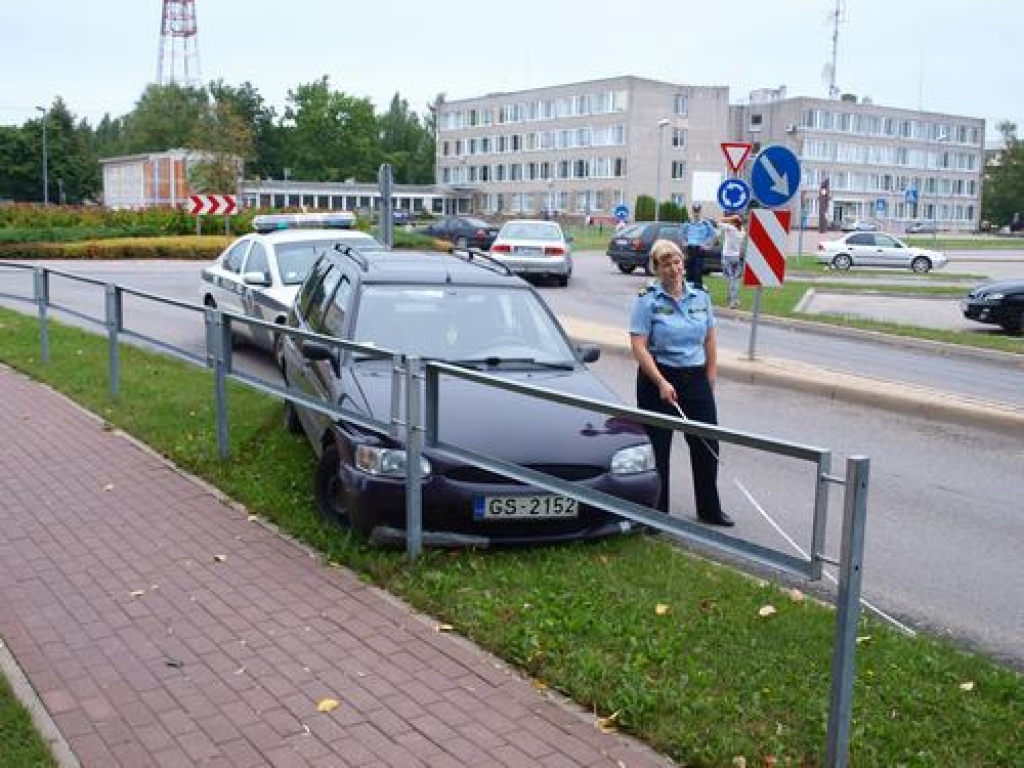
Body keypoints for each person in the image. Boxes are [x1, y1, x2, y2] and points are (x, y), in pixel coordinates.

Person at [628, 239, 734, 527]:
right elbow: (638, 346)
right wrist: (661, 381)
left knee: (706, 444)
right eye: (666, 264)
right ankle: (656, 515)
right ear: (656, 268)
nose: (673, 269)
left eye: (677, 262)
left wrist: (711, 373)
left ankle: (710, 510)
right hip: (657, 379)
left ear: (683, 263)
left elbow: (710, 338)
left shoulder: (700, 296)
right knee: (659, 448)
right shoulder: (647, 300)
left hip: (695, 378)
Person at [680, 203, 717, 289]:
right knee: (689, 271)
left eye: (698, 211)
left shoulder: (705, 223)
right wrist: (684, 243)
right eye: (695, 211)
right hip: (690, 249)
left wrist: (709, 246)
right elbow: (681, 234)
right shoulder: (688, 223)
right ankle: (688, 291)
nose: (696, 213)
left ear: (700, 211)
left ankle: (698, 293)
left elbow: (714, 235)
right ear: (692, 211)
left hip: (699, 249)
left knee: (698, 272)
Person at [718, 214, 745, 308]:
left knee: (730, 280)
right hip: (736, 257)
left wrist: (731, 217)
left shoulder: (730, 228)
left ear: (734, 221)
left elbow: (719, 222)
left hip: (727, 257)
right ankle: (735, 299)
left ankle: (732, 301)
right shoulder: (742, 231)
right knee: (735, 280)